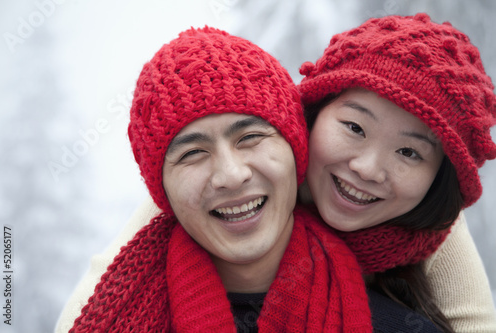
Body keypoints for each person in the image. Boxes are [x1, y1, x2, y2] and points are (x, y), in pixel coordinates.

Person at [57, 27, 384, 333]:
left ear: (297, 149)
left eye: (250, 137)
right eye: (192, 154)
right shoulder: (110, 318)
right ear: (162, 194)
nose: (231, 175)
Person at [297, 13, 496, 332]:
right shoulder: (259, 179)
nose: (367, 169)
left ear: (438, 180)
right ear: (315, 110)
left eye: (408, 152)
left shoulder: (433, 231)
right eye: (355, 127)